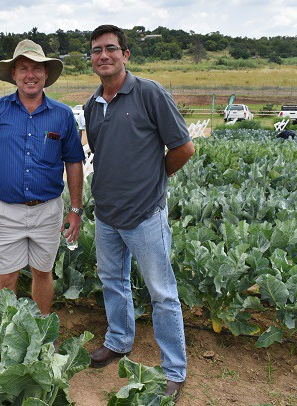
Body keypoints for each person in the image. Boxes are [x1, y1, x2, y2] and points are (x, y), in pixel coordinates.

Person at [83, 25, 195, 402]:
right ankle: (118, 341)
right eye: (96, 50)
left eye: (111, 48)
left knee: (162, 293)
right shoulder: (92, 104)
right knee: (113, 281)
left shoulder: (150, 93)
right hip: (107, 214)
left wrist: (154, 178)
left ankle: (174, 370)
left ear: (125, 54)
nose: (103, 56)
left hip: (146, 214)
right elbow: (101, 153)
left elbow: (183, 148)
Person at [0, 39, 85, 316]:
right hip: (6, 211)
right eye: (23, 68)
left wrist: (76, 209)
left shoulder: (62, 114)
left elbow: (74, 162)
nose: (30, 75)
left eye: (36, 68)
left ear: (46, 74)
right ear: (14, 74)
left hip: (47, 211)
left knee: (42, 272)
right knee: (6, 276)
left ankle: (41, 328)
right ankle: (3, 333)